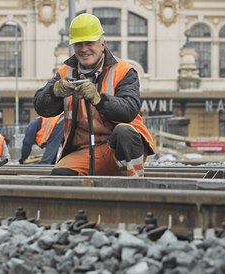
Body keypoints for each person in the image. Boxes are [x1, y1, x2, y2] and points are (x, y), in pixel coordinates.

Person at [33, 13, 156, 177]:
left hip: (119, 146)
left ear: (102, 43)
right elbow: (41, 107)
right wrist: (54, 92)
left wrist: (98, 99)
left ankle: (136, 186)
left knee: (124, 132)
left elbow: (129, 110)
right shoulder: (65, 73)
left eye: (89, 43)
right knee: (61, 176)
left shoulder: (123, 71)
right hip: (86, 150)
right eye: (78, 44)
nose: (84, 49)